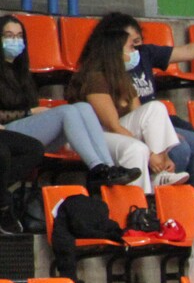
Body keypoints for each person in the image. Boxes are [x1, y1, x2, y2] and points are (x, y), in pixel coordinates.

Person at [95, 12, 194, 198]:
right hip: (130, 130)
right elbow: (116, 123)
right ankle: (163, 198)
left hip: (159, 123)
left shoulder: (143, 54)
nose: (136, 49)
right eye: (133, 44)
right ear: (114, 43)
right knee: (182, 147)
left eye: (138, 42)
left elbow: (187, 51)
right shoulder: (100, 73)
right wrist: (164, 140)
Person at [0, 13, 143, 190]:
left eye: (19, 36)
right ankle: (96, 168)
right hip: (7, 133)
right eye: (9, 36)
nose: (15, 41)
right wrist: (30, 112)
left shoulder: (22, 72)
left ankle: (108, 167)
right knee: (67, 112)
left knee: (83, 107)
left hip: (29, 132)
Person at [65, 26, 187, 192]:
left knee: (156, 108)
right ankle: (139, 200)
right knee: (137, 149)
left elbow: (140, 115)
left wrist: (163, 157)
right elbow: (113, 126)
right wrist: (151, 155)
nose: (135, 52)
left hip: (113, 133)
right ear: (115, 52)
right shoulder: (95, 78)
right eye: (131, 47)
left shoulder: (123, 77)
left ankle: (159, 175)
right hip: (89, 136)